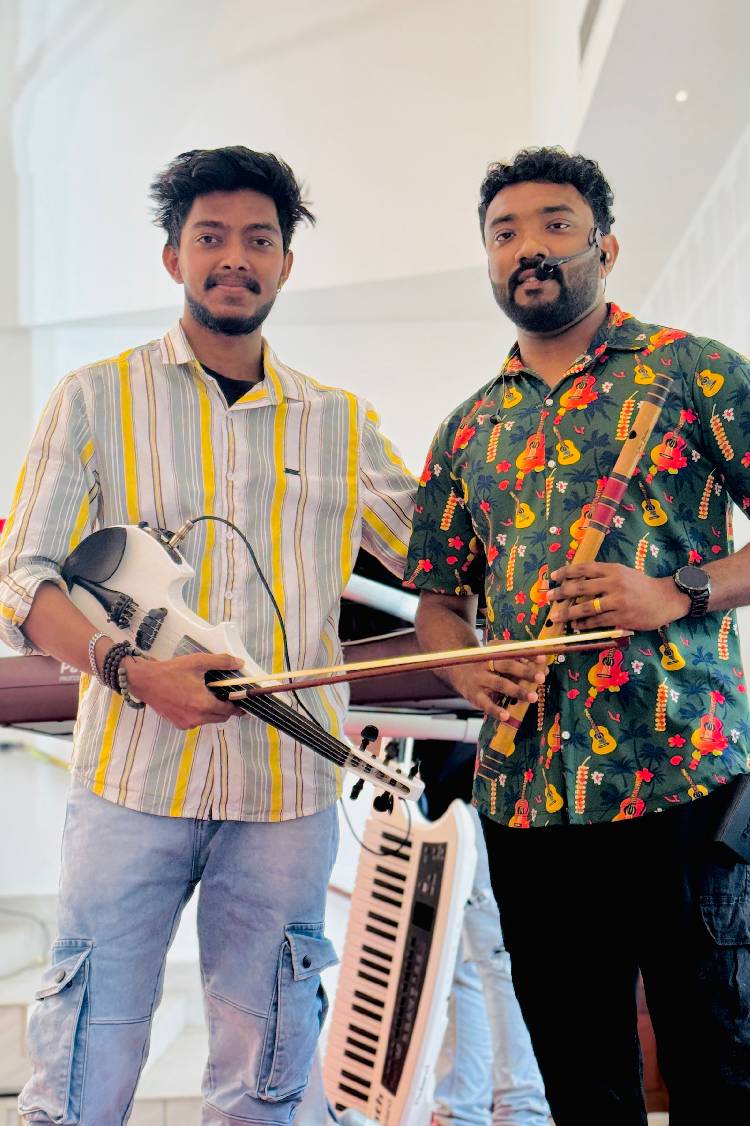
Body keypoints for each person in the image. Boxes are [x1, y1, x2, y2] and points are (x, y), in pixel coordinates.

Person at [0, 145, 415, 1125]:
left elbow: (443, 557)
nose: (235, 257)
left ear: (286, 263)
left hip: (286, 792)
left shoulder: (340, 421)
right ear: (173, 257)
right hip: (130, 781)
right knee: (87, 1042)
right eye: (211, 237)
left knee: (267, 1054)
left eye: (259, 240)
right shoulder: (94, 397)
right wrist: (133, 672)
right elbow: (24, 578)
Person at [405, 146, 750, 1126]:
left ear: (606, 245)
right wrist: (467, 667)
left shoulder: (693, 371)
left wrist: (676, 592)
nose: (529, 247)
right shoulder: (466, 429)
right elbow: (437, 602)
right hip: (529, 797)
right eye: (504, 232)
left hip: (685, 772)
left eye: (555, 224)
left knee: (719, 1060)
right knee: (579, 1079)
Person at [414, 740, 548, 1126]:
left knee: (496, 959)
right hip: (450, 787)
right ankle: (462, 1110)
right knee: (461, 963)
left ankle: (520, 1112)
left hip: (489, 785)